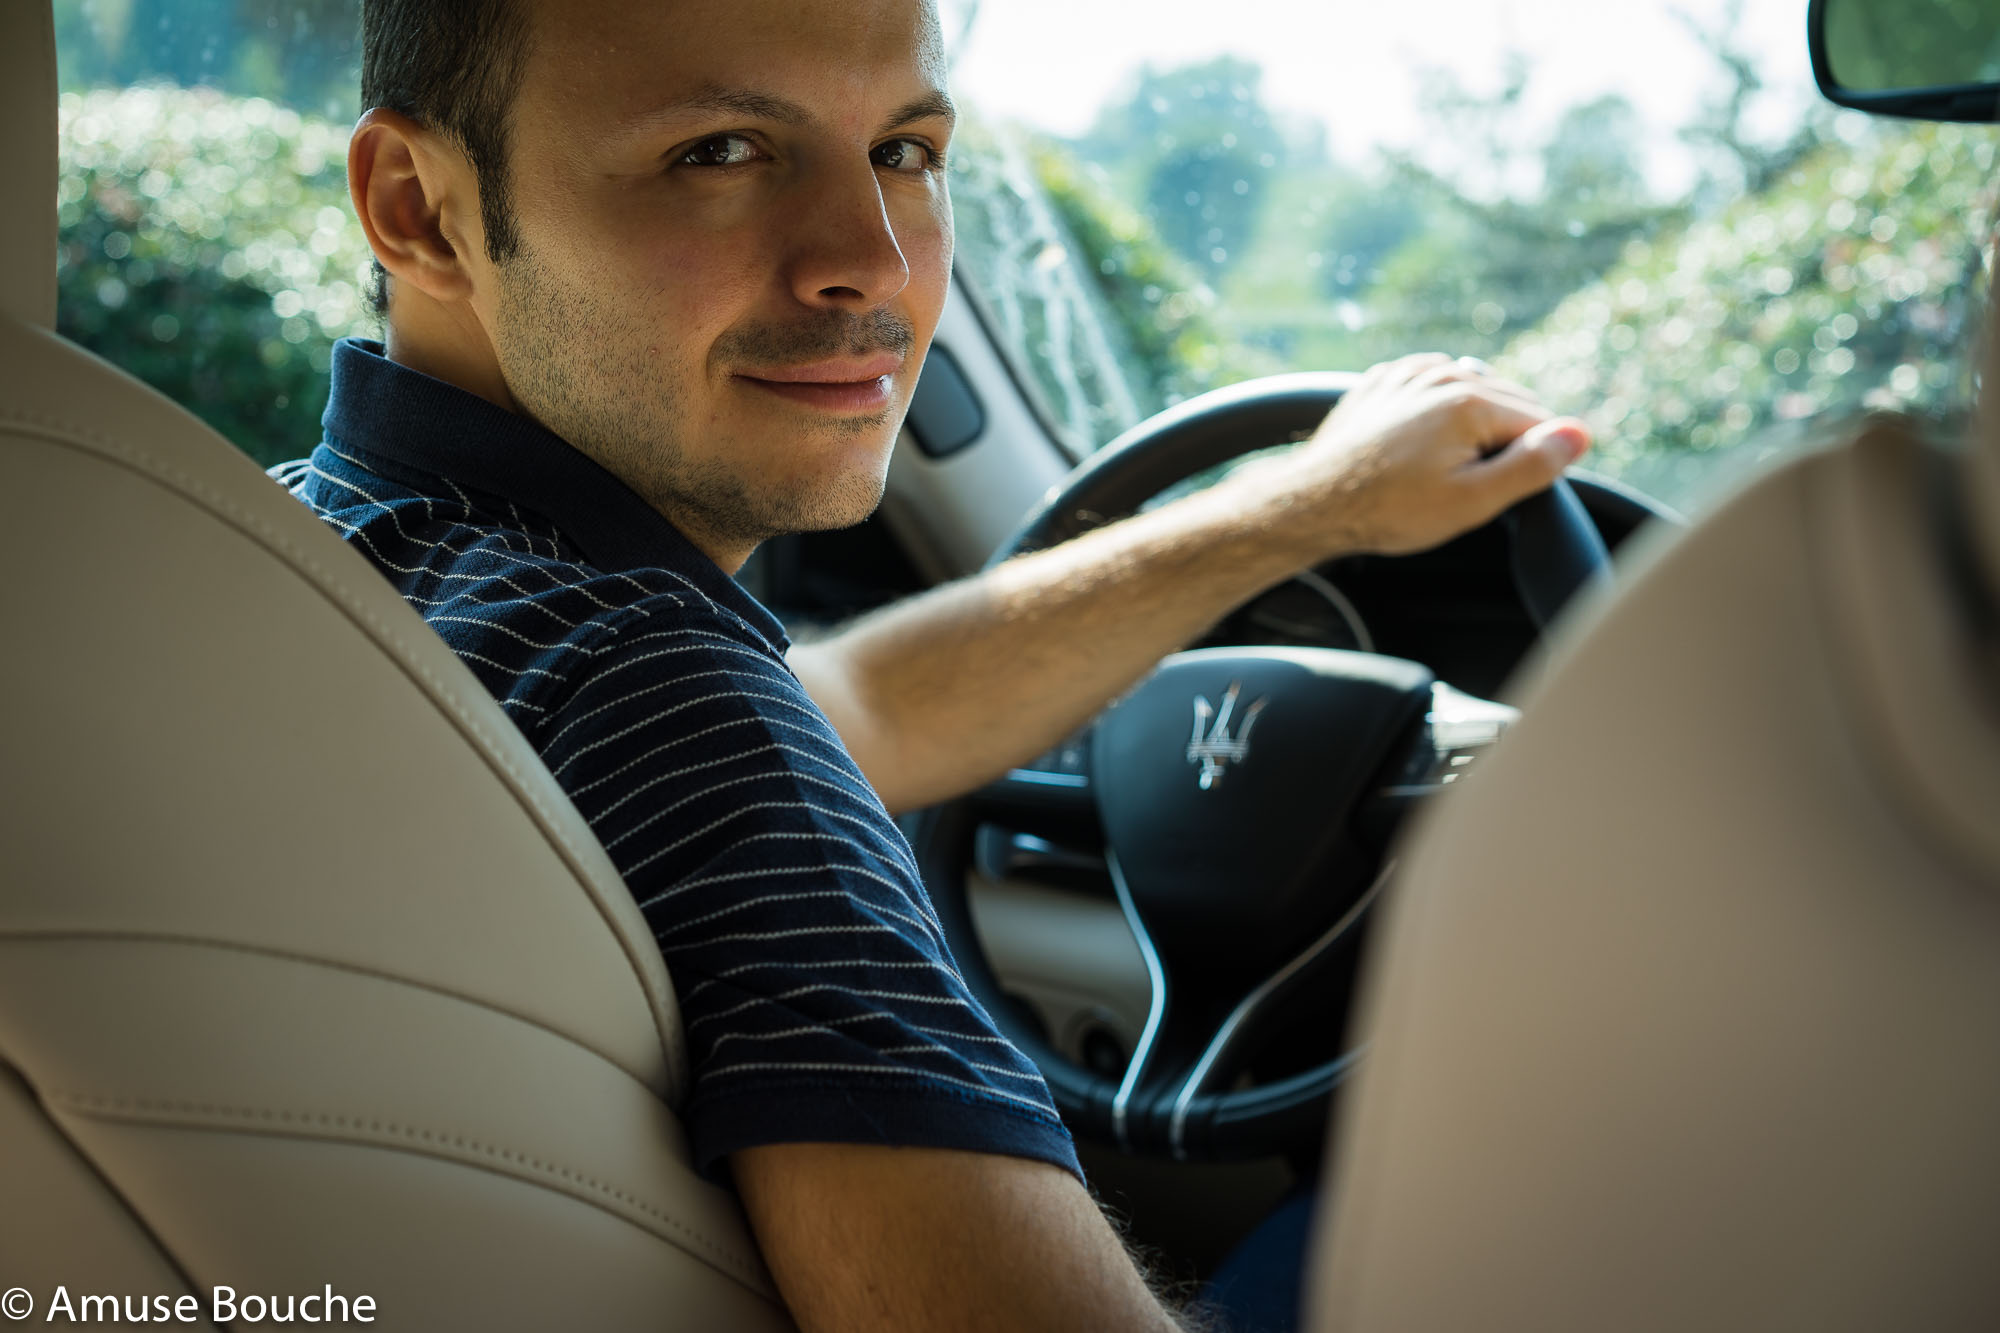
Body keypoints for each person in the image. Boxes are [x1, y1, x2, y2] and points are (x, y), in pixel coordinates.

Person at [277, 0, 1592, 1328]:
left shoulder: (300, 553)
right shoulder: (656, 694)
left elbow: (857, 705)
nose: (876, 258)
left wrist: (1307, 510)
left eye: (906, 150)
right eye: (720, 152)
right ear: (418, 209)